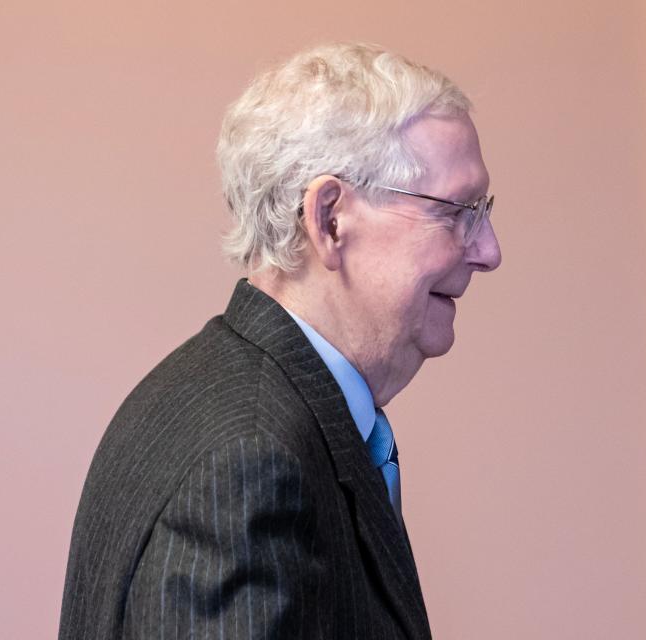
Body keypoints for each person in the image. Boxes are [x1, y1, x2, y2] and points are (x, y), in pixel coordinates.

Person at [58, 42, 501, 640]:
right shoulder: (250, 461)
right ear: (330, 219)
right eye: (456, 212)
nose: (488, 251)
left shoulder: (221, 395)